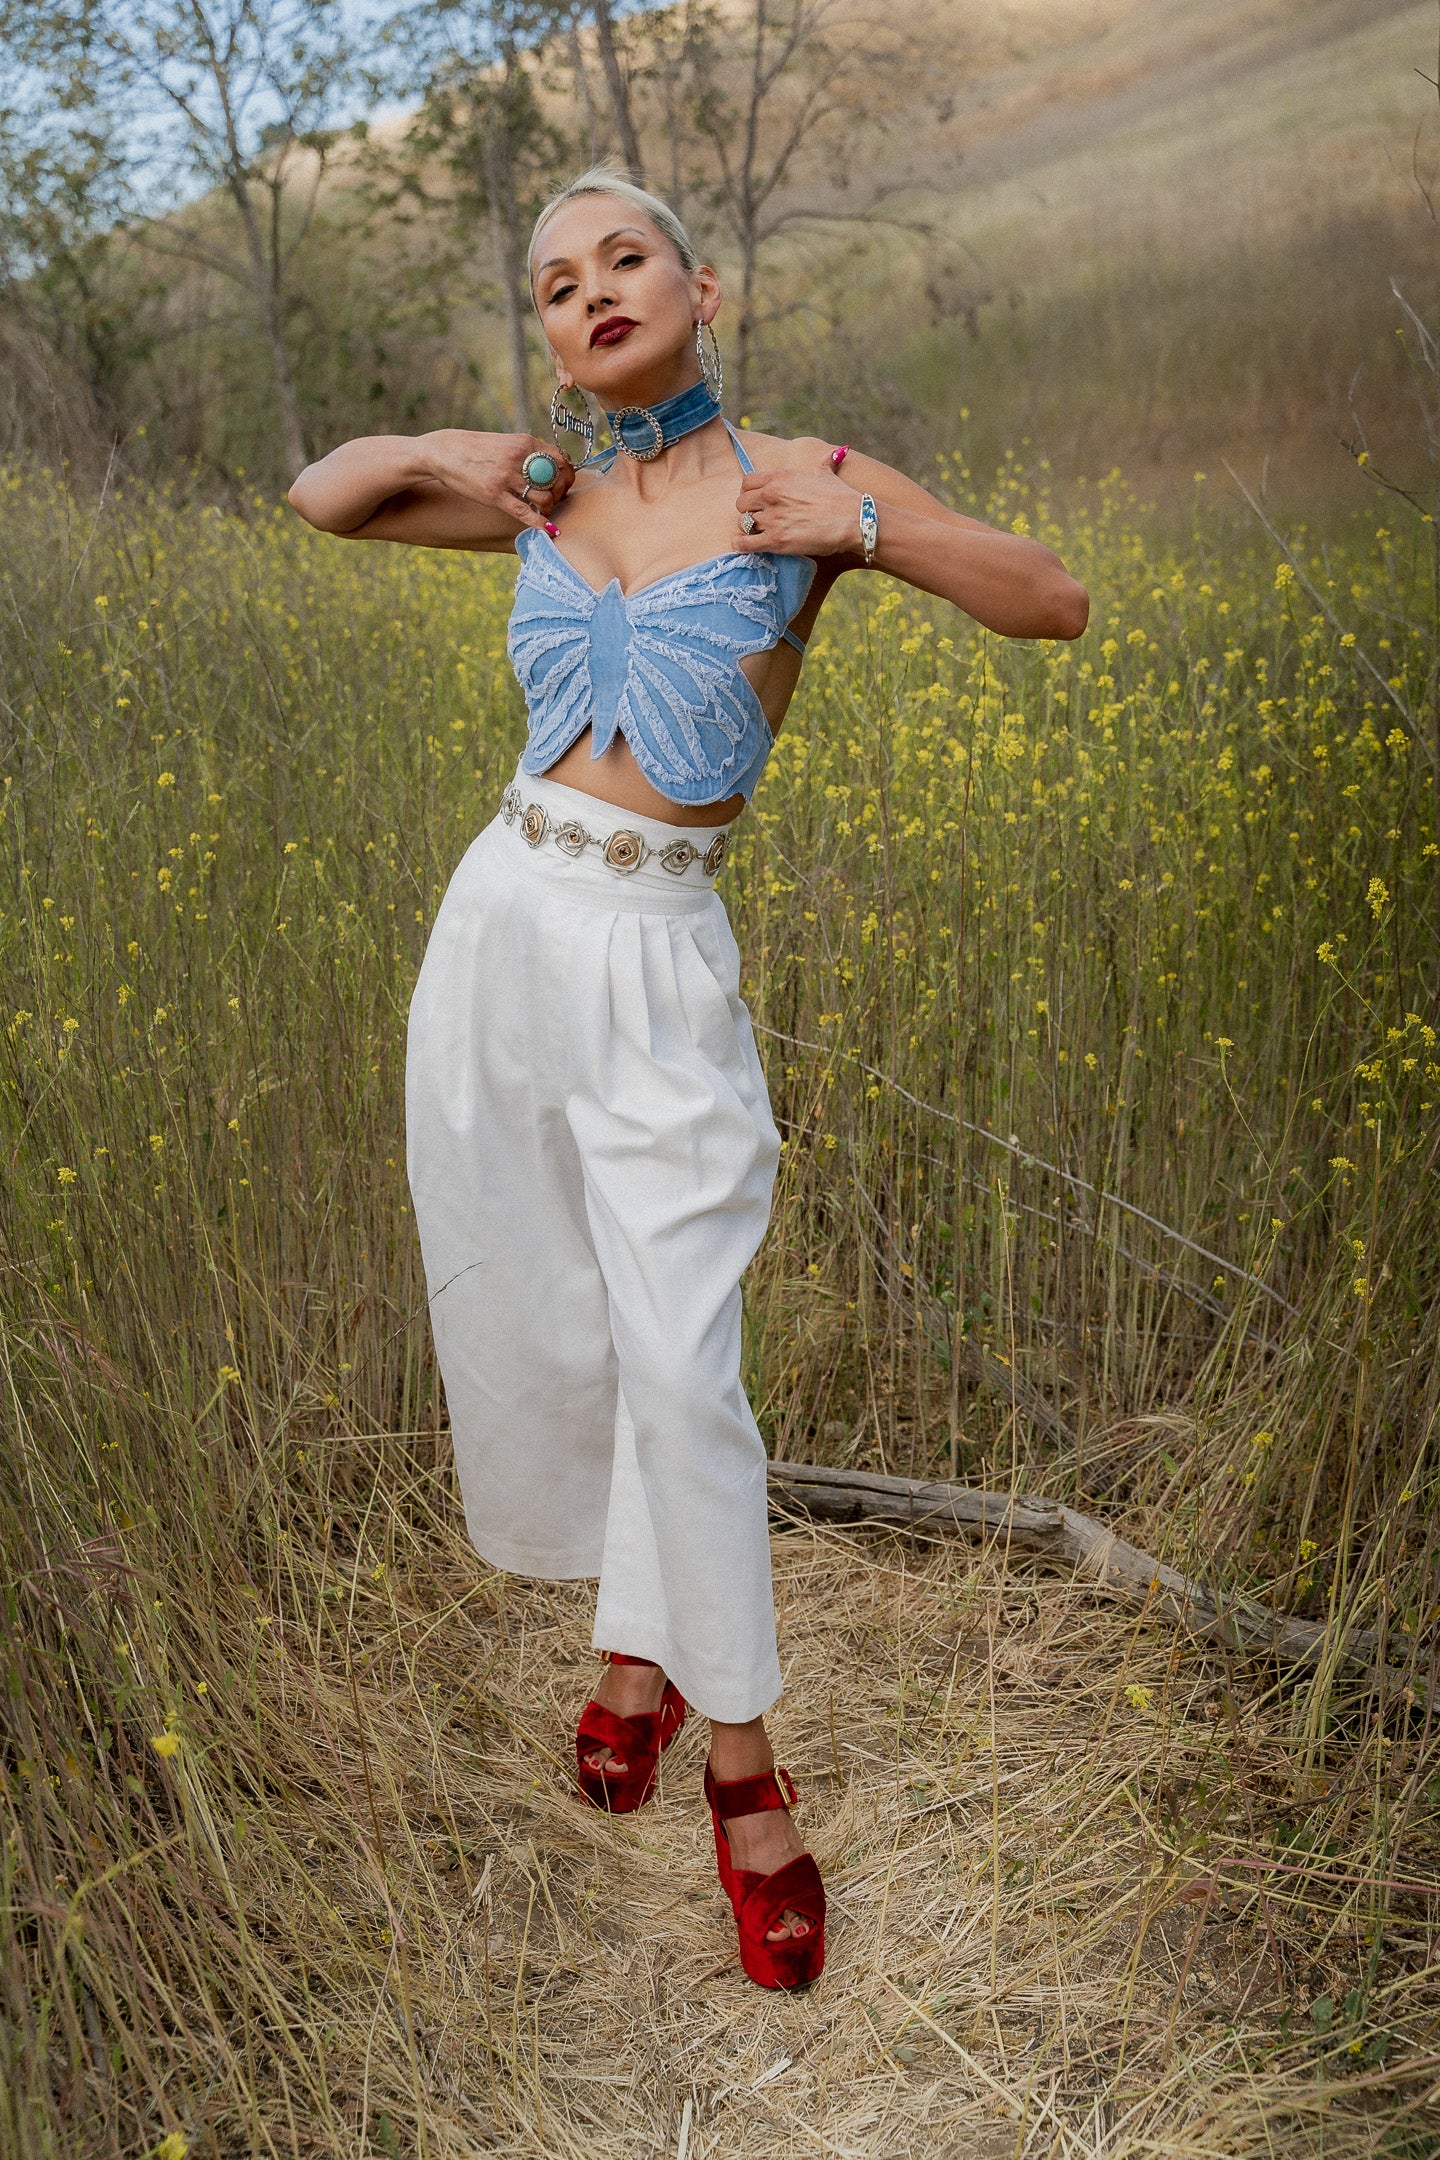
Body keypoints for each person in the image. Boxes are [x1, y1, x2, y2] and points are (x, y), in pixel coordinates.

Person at [288, 167, 1088, 1990]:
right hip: (499, 928)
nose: (593, 292)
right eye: (556, 282)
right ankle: (629, 1659)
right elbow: (323, 497)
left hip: (656, 954)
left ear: (700, 286)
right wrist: (440, 449)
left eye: (624, 257)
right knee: (559, 1321)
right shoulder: (545, 492)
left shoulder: (800, 483)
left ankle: (743, 1768)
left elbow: (1051, 599)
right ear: (556, 337)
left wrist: (861, 529)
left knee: (682, 1361)